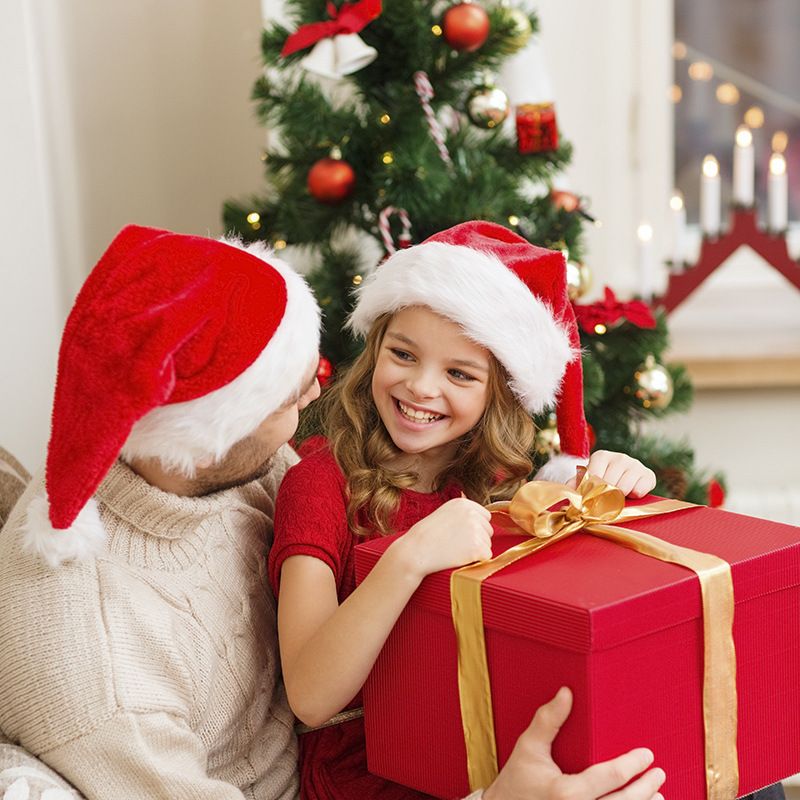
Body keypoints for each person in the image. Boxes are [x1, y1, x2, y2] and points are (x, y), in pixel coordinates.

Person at [0, 223, 670, 800]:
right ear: (209, 433)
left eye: (460, 373)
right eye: (287, 398)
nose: (313, 399)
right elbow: (315, 695)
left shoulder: (238, 468)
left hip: (458, 733)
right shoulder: (100, 679)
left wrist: (582, 491)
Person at [270, 220, 673, 800]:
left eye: (459, 373)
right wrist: (406, 559)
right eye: (402, 354)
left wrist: (615, 490)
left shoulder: (499, 487)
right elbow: (310, 695)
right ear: (375, 350)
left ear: (498, 393)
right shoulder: (319, 486)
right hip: (373, 776)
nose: (421, 387)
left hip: (486, 746)